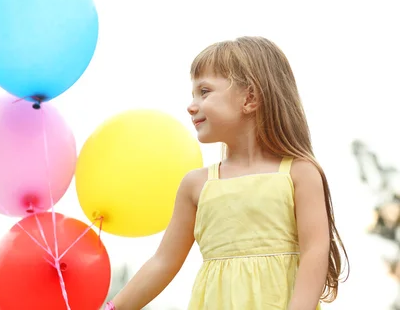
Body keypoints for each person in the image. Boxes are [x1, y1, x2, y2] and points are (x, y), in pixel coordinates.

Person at [103, 37, 349, 310]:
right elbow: (163, 262)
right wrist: (112, 308)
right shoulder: (195, 185)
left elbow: (315, 251)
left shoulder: (300, 173)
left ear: (250, 98)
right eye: (193, 93)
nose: (191, 105)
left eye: (204, 91)